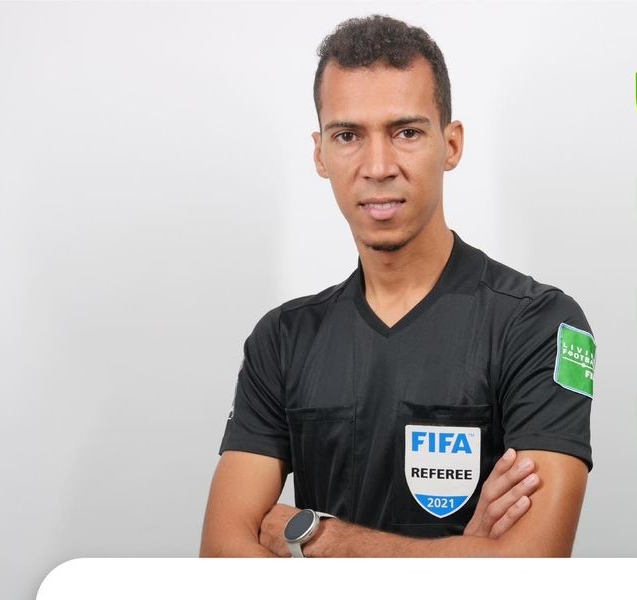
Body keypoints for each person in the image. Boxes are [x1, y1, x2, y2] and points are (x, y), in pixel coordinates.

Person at [200, 14, 595, 558]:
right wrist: (465, 557)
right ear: (320, 154)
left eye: (406, 132)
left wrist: (320, 537)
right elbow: (222, 558)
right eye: (348, 136)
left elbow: (530, 568)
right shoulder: (283, 339)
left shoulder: (538, 325)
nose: (378, 166)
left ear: (451, 144)